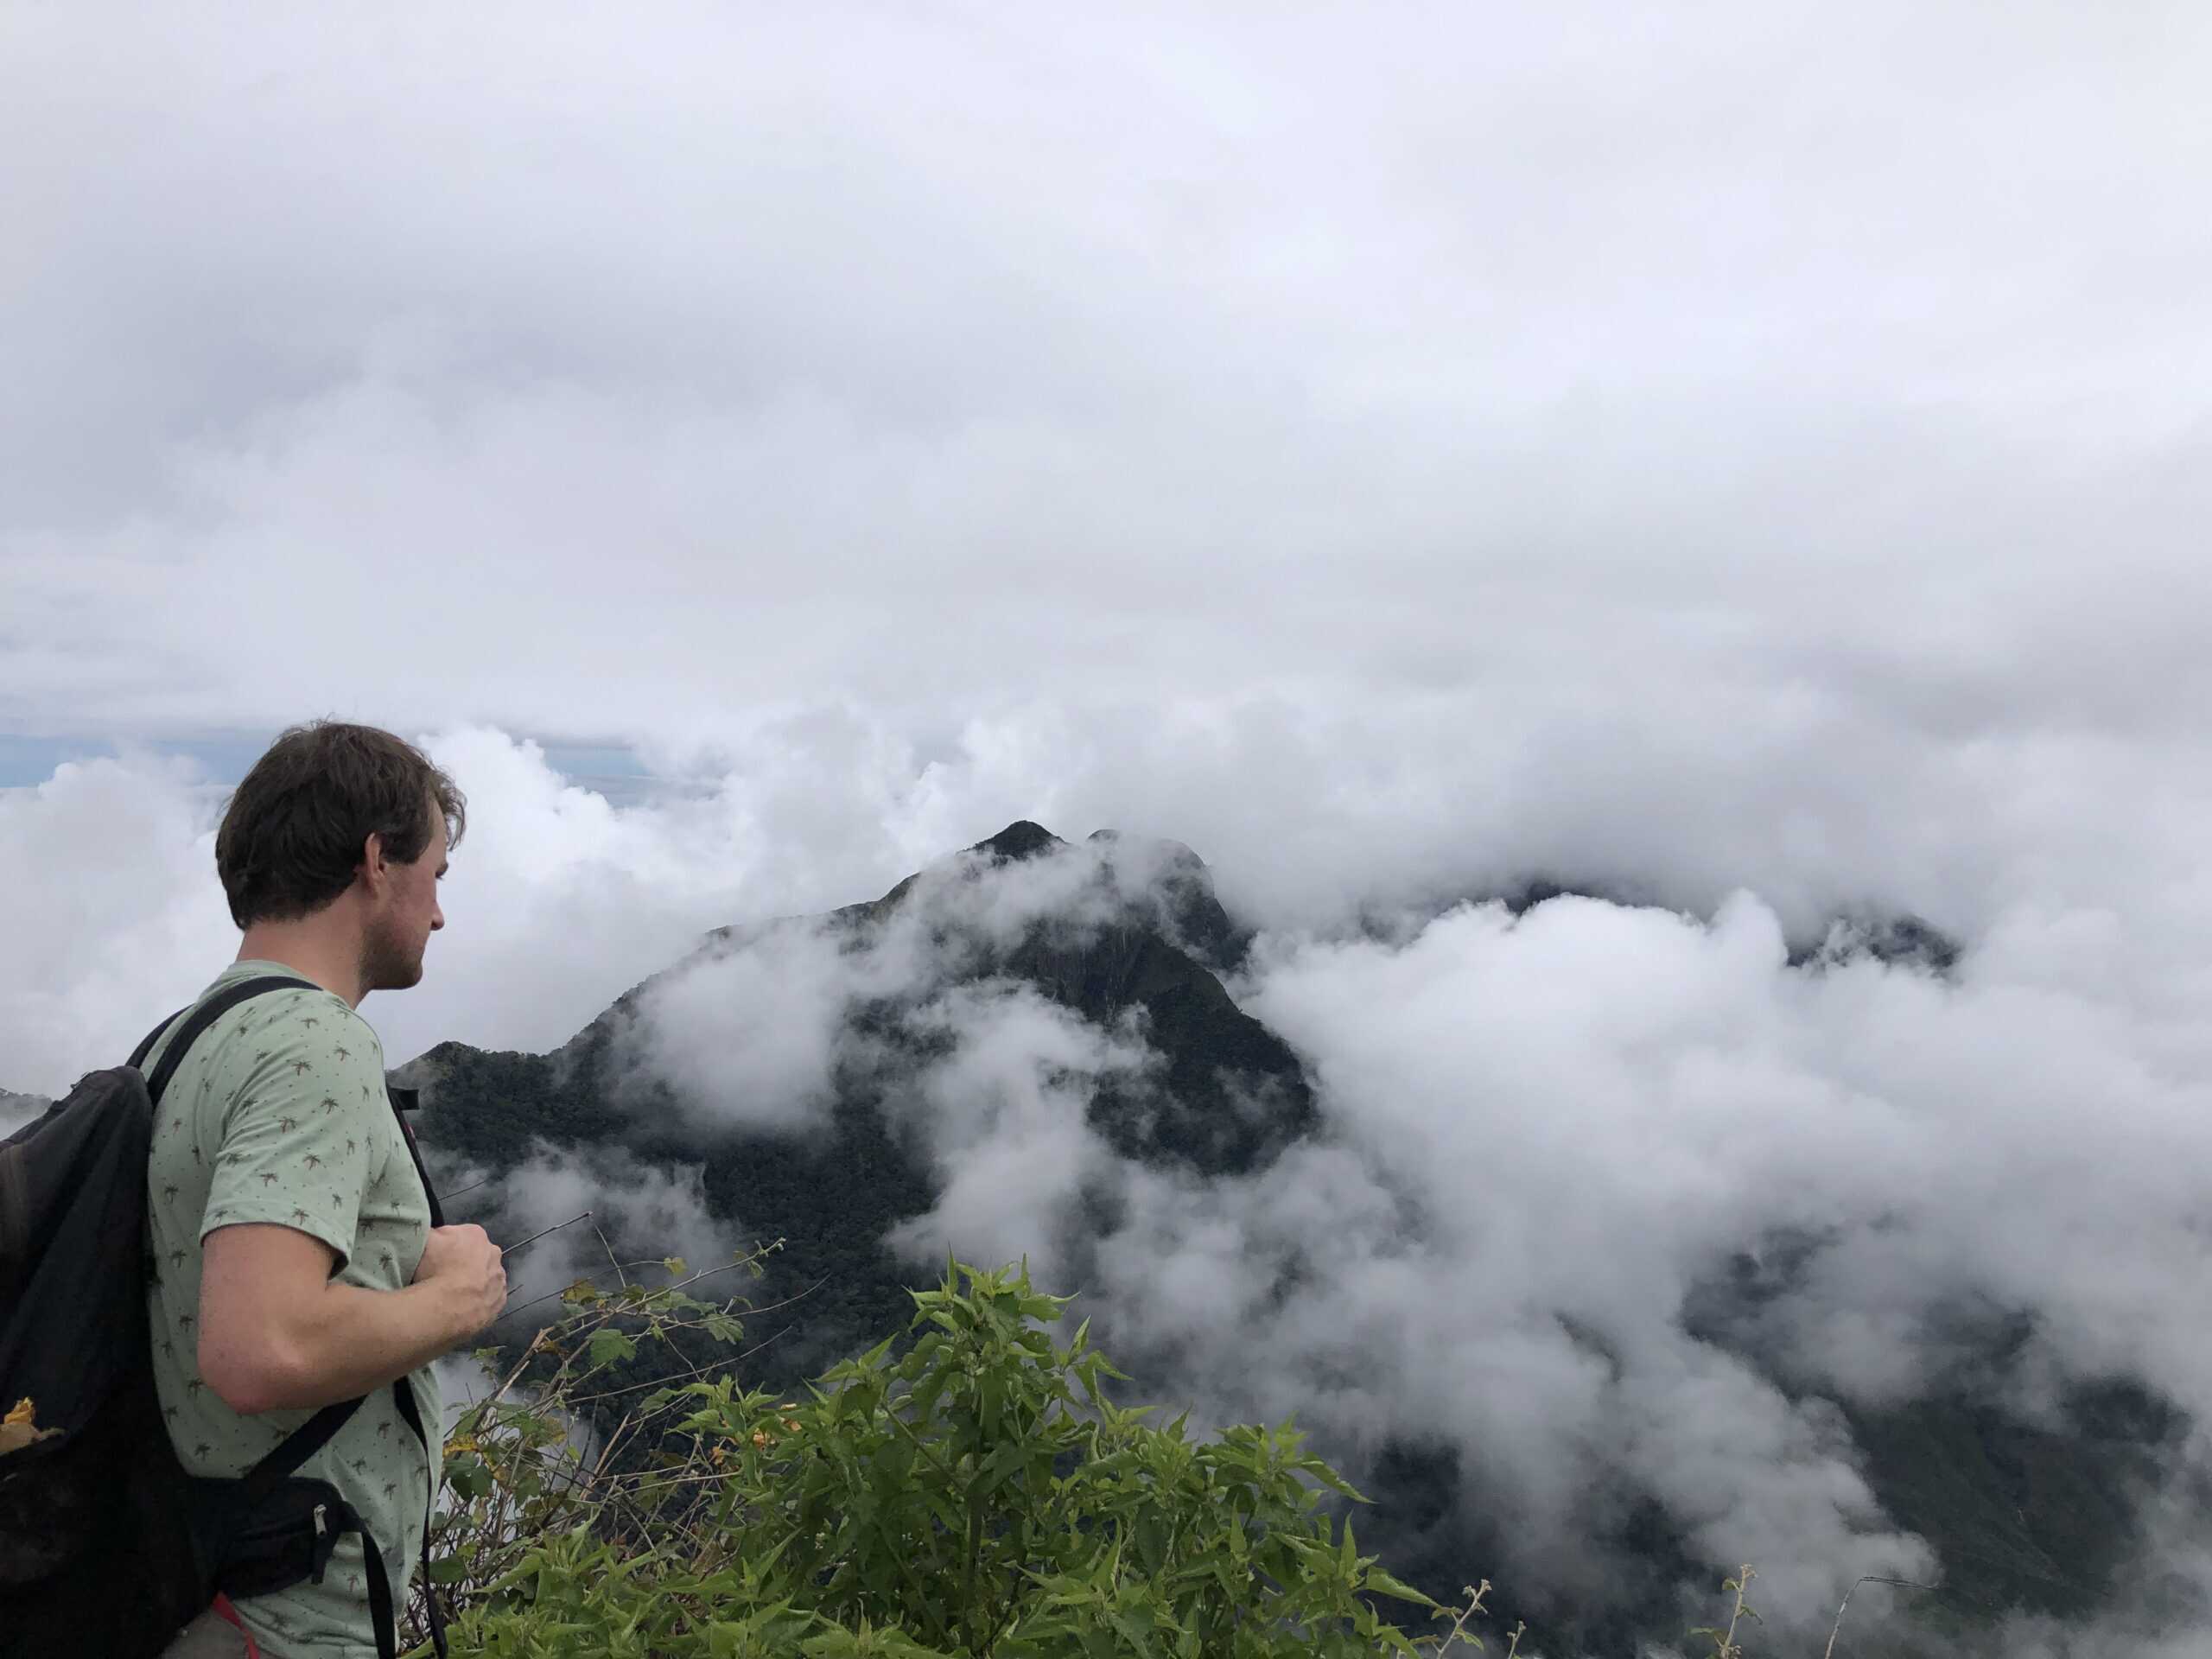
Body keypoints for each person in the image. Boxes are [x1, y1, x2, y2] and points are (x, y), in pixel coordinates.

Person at [150, 721, 508, 1659]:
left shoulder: (183, 1040)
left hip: (205, 1586)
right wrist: (459, 1298)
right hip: (287, 1621)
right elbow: (259, 1348)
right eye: (435, 873)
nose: (440, 915)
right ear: (377, 861)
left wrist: (396, 1259)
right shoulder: (315, 1042)